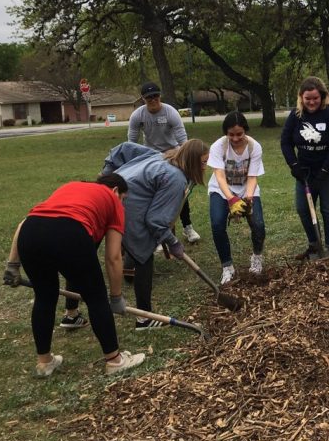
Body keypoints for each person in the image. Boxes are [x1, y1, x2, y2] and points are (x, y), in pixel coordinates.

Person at [3, 174, 146, 377]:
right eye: (123, 198)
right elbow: (114, 257)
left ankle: (44, 362)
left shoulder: (72, 187)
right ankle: (115, 361)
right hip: (69, 233)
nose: (122, 204)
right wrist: (116, 298)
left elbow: (24, 222)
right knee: (96, 298)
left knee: (45, 297)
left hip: (31, 232)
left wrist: (12, 265)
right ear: (116, 192)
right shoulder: (113, 201)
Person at [101, 138, 209, 328]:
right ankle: (145, 319)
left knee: (87, 252)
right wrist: (173, 242)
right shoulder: (175, 178)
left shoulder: (159, 156)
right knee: (144, 258)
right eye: (203, 162)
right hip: (124, 209)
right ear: (192, 161)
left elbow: (123, 148)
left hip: (102, 199)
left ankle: (71, 313)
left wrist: (104, 179)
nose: (205, 167)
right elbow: (156, 221)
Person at [280, 76, 329, 260]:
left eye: (315, 98)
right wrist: (294, 165)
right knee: (303, 208)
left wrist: (324, 172)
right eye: (307, 98)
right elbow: (285, 142)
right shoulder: (296, 115)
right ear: (301, 97)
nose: (311, 102)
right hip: (305, 172)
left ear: (322, 96)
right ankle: (314, 246)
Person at [127, 81, 200, 244]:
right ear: (143, 99)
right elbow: (131, 144)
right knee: (152, 193)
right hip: (150, 155)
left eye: (155, 96)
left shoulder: (170, 113)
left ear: (160, 96)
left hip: (172, 153)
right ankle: (157, 234)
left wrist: (176, 155)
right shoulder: (137, 115)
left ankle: (187, 227)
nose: (153, 99)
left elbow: (184, 143)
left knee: (180, 190)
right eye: (148, 97)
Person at [207, 111, 266, 284]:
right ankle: (227, 266)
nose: (235, 138)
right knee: (217, 223)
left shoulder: (254, 147)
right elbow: (219, 175)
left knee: (258, 224)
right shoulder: (218, 146)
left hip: (247, 188)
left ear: (245, 131)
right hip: (221, 189)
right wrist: (231, 199)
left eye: (239, 134)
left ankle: (256, 257)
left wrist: (248, 199)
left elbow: (253, 176)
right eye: (230, 134)